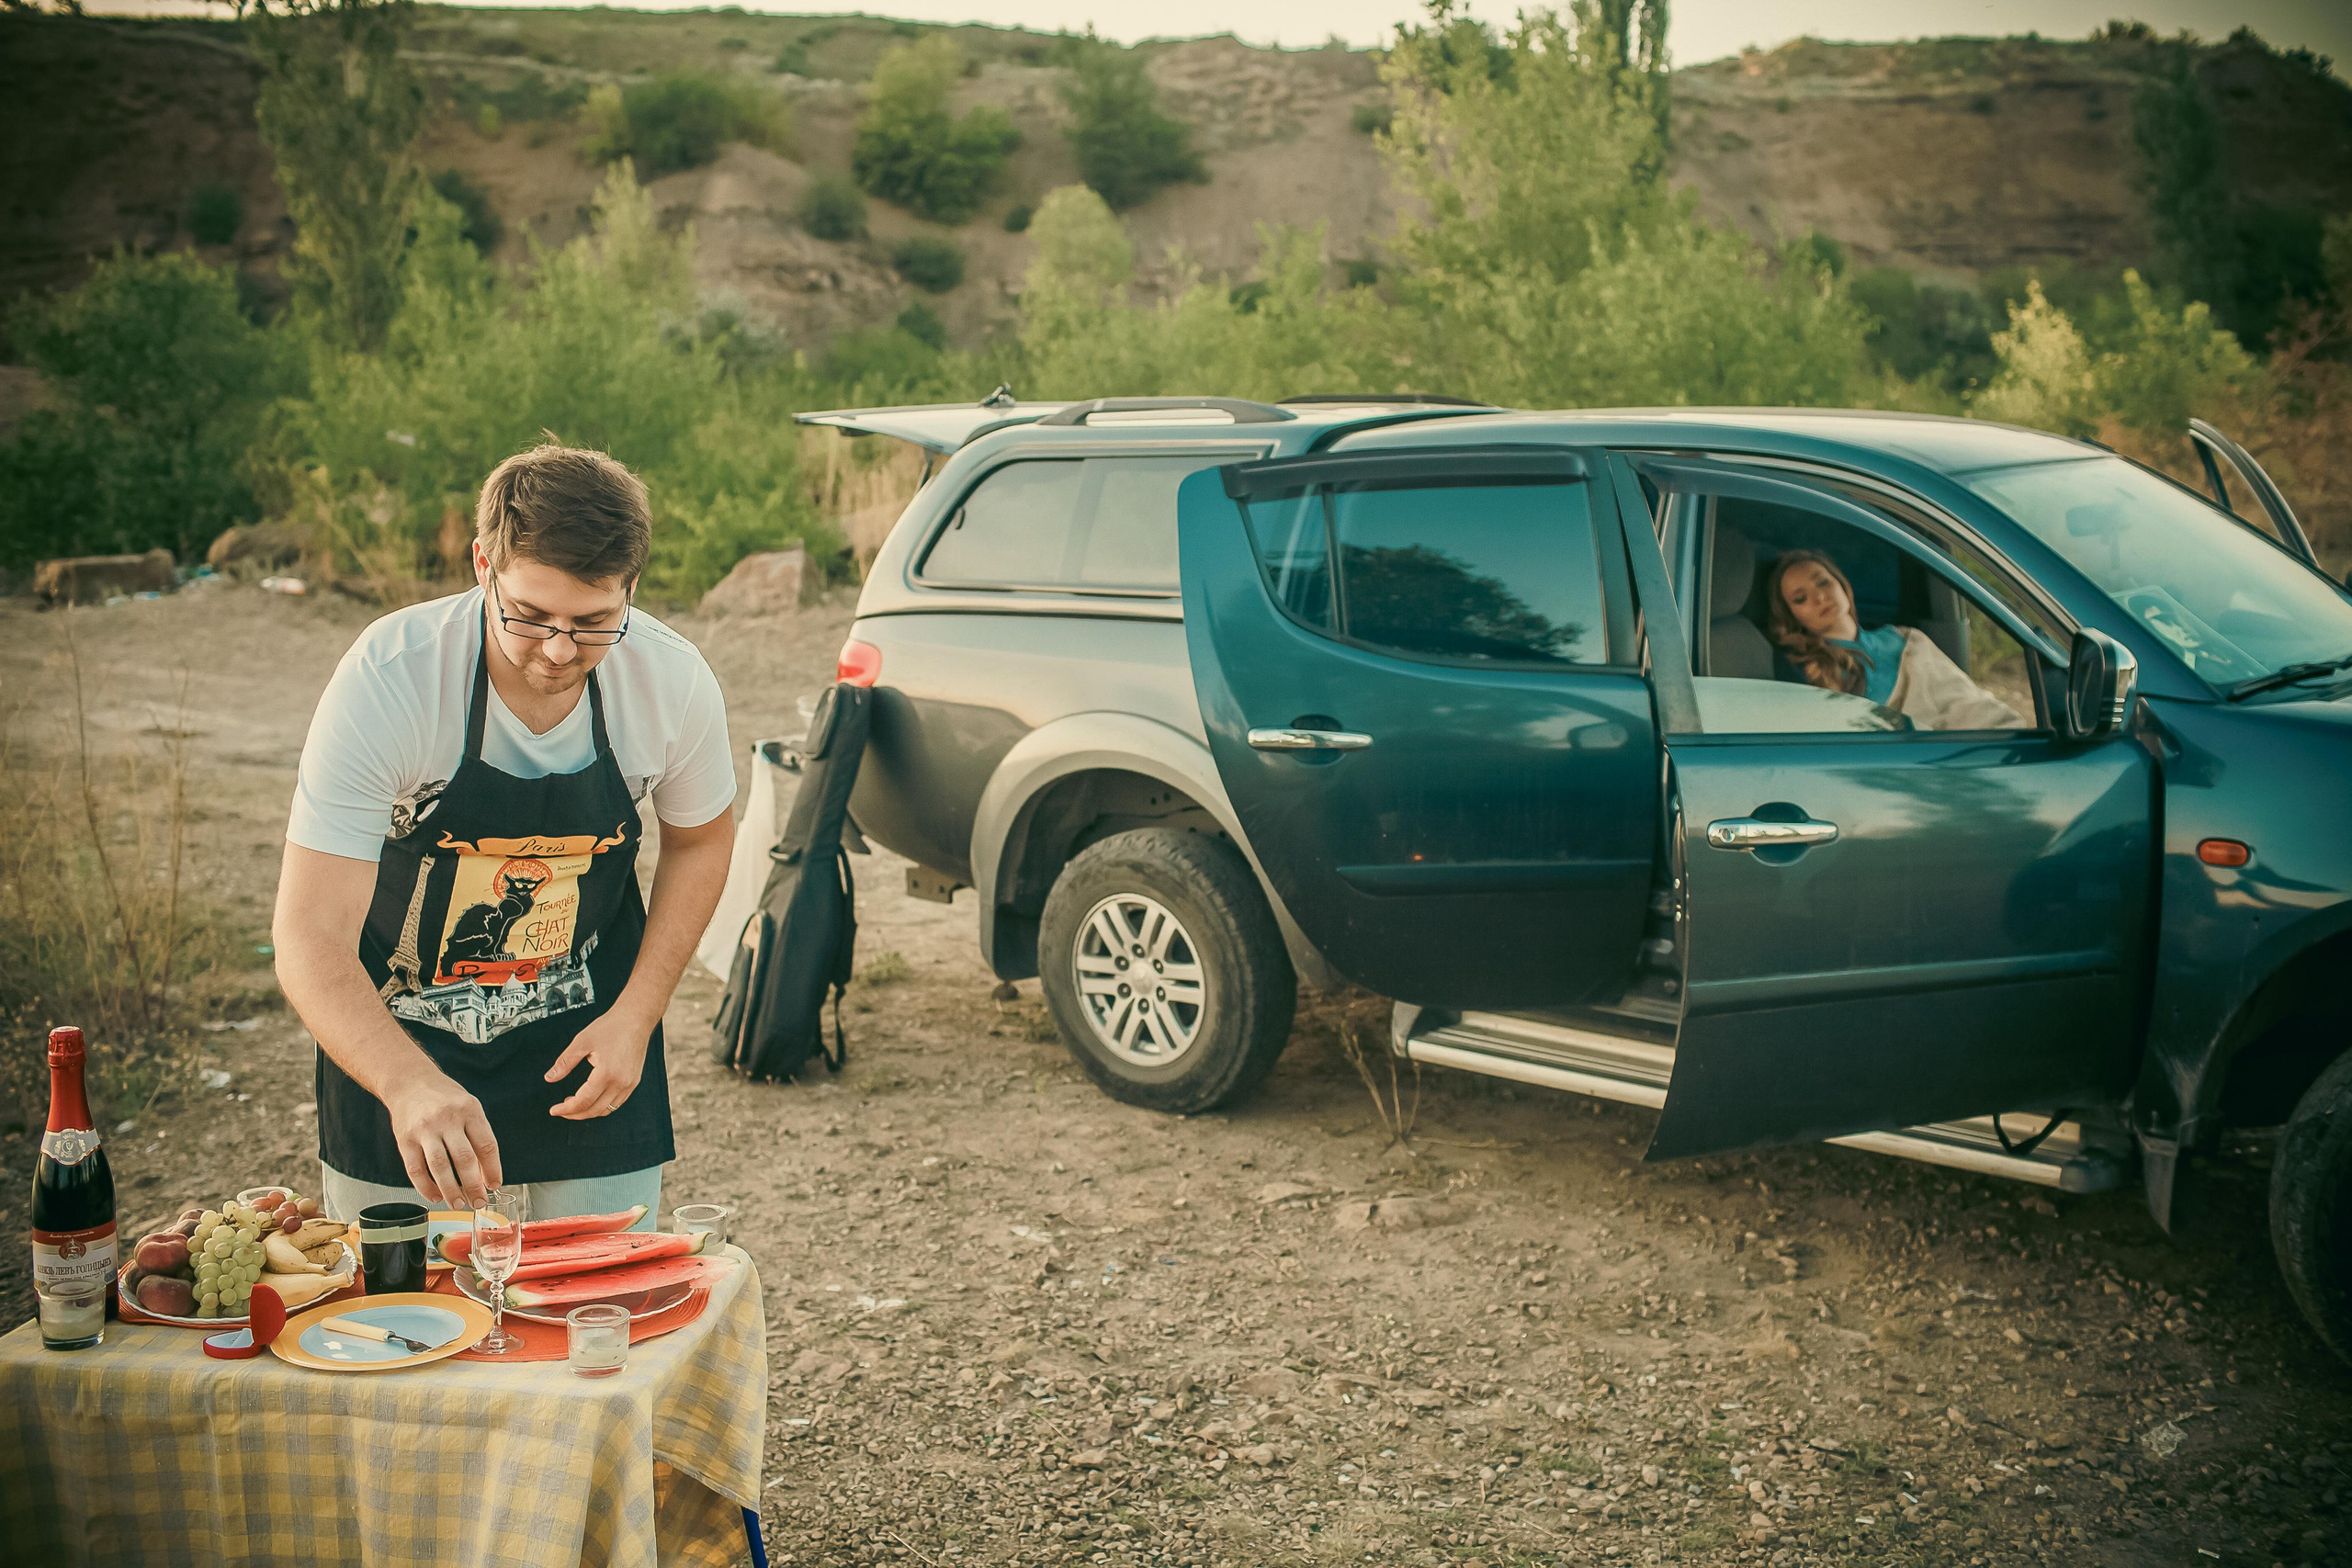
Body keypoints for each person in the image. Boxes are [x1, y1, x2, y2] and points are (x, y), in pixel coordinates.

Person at [273, 443, 738, 1224]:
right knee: (401, 1314)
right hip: (399, 1023)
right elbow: (309, 934)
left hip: (584, 1017)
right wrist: (405, 1083)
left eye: (594, 623)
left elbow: (701, 840)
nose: (558, 651)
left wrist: (638, 1014)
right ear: (483, 563)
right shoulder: (391, 678)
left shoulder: (672, 680)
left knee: (603, 1305)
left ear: (632, 586)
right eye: (530, 615)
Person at [1767, 549, 2027, 731]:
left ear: (1841, 583)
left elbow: (1965, 700)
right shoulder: (1809, 673)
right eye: (1800, 598)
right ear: (1792, 617)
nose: (1820, 597)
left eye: (1823, 582)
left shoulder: (1905, 638)